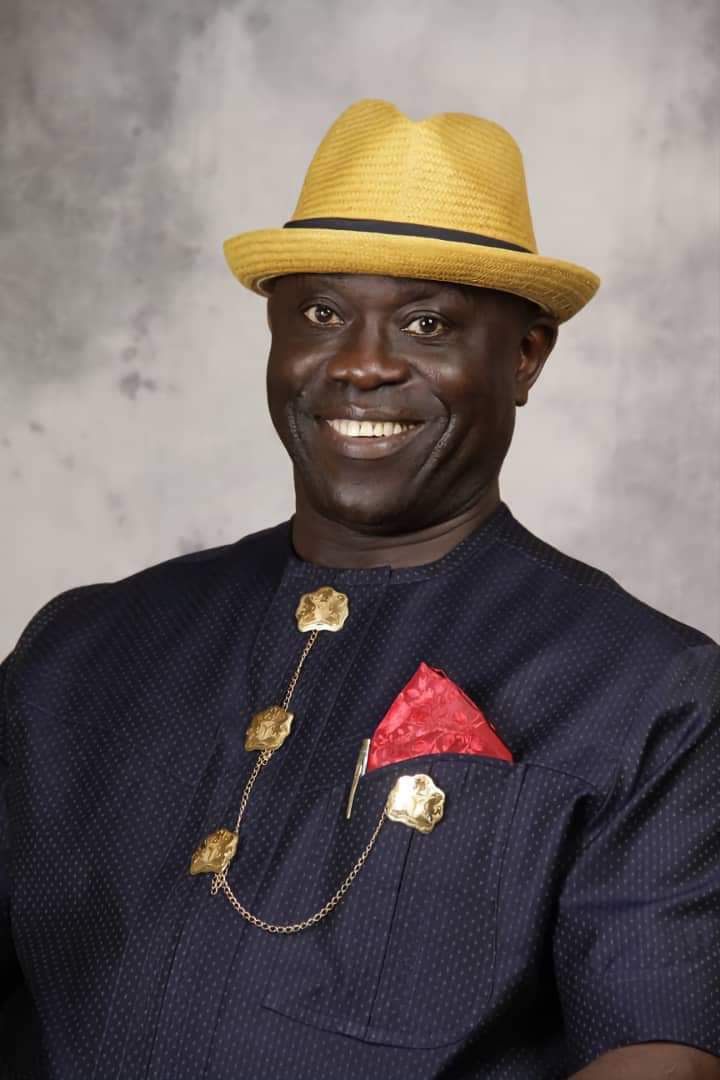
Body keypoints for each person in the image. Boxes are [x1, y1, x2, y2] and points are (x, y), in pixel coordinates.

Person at [1, 98, 718, 1080]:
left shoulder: (649, 692)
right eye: (323, 314)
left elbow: (659, 1053)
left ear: (524, 356)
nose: (363, 363)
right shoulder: (82, 647)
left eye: (426, 323)